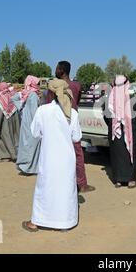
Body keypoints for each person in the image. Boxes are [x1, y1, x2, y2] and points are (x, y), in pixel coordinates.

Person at [22, 78, 82, 232]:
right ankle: (65, 223)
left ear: (52, 93)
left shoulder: (43, 110)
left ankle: (37, 222)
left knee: (45, 188)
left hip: (49, 158)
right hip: (66, 160)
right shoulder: (72, 113)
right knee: (65, 189)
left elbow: (35, 133)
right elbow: (76, 137)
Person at [48, 61, 95, 193]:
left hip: (58, 124)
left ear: (62, 70)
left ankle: (61, 184)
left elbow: (49, 105)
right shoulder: (76, 85)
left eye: (57, 68)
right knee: (77, 154)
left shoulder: (54, 86)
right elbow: (76, 103)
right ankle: (82, 184)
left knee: (58, 154)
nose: (55, 70)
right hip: (72, 122)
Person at [105, 75, 136, 189]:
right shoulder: (131, 95)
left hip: (115, 131)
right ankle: (131, 180)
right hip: (128, 130)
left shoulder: (110, 96)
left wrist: (113, 124)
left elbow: (106, 114)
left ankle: (118, 180)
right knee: (129, 151)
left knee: (117, 154)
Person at [12, 75, 41, 174]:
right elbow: (34, 113)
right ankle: (29, 167)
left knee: (26, 144)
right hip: (31, 123)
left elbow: (14, 98)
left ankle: (25, 166)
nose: (39, 85)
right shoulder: (32, 95)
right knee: (32, 145)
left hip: (26, 122)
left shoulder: (26, 94)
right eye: (37, 83)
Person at [0, 82, 20, 162]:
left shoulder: (1, 98)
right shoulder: (12, 96)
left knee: (5, 138)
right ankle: (12, 154)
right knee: (14, 137)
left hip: (5, 121)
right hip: (14, 120)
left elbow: (0, 113)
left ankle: (11, 155)